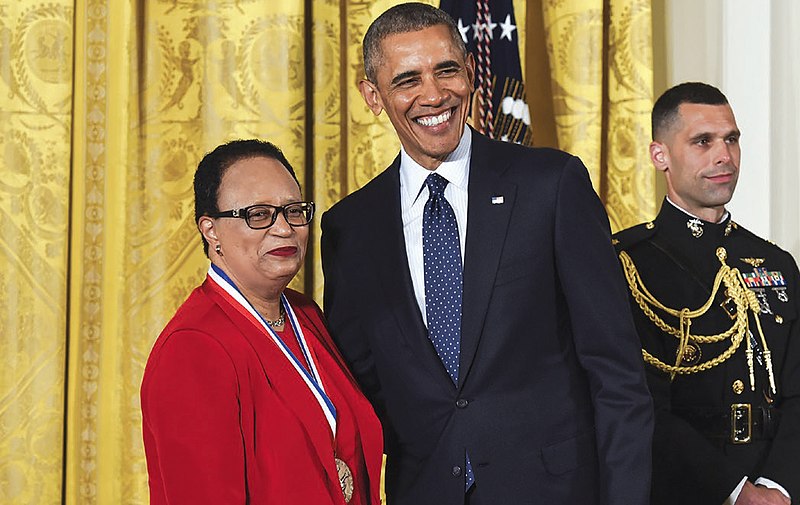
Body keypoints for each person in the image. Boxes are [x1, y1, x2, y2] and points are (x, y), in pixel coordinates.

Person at [320, 4, 654, 504]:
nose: (434, 94)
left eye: (447, 69)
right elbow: (364, 391)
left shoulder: (551, 185)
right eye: (408, 79)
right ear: (373, 96)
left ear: (471, 71)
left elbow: (617, 373)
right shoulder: (350, 227)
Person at [140, 139, 383, 504]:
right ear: (211, 230)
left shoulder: (305, 314)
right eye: (258, 214)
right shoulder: (193, 348)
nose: (284, 229)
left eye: (294, 211)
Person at [613, 82, 800, 505]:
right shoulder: (627, 265)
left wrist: (777, 486)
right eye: (703, 141)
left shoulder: (775, 263)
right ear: (660, 155)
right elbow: (639, 405)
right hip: (687, 490)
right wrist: (736, 492)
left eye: (731, 139)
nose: (724, 156)